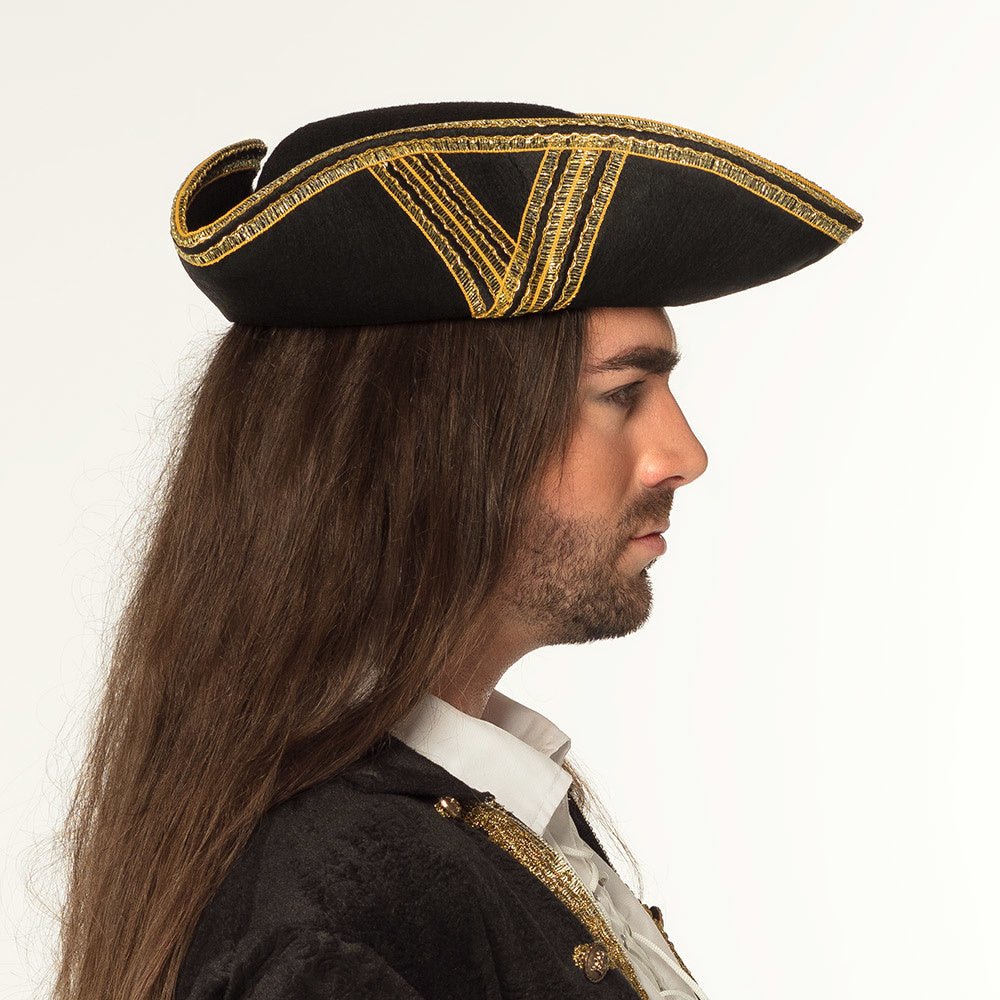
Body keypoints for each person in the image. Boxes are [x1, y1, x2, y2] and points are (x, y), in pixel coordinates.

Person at [51, 101, 862, 1000]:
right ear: (425, 442)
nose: (684, 456)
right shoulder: (332, 903)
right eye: (622, 393)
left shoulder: (463, 815)